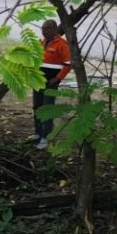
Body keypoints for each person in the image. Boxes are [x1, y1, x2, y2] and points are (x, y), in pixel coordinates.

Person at [36, 20, 70, 149]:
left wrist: (58, 78)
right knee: (37, 107)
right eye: (43, 29)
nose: (44, 31)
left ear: (55, 29)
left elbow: (68, 63)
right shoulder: (42, 42)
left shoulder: (62, 44)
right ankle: (38, 133)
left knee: (47, 109)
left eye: (47, 29)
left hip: (51, 83)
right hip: (38, 81)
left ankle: (46, 137)